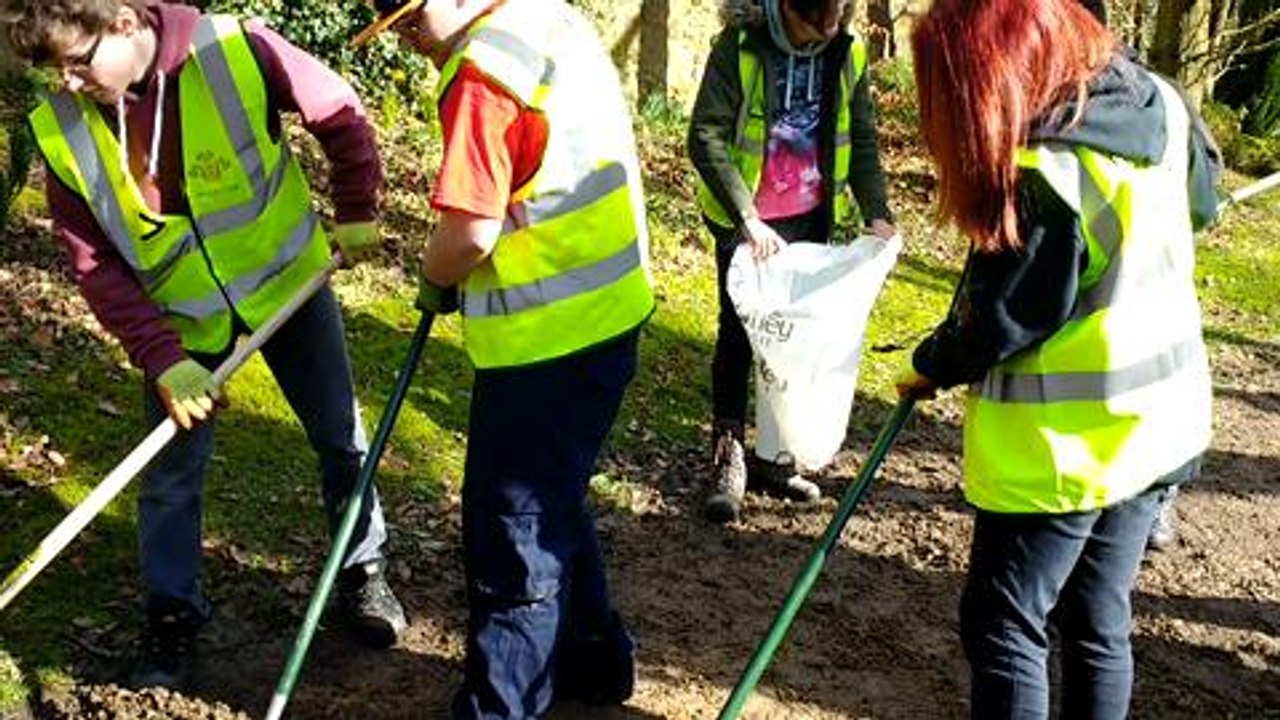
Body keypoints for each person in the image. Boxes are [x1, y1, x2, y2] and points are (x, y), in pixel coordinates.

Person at [4, 0, 407, 690]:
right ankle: (172, 615)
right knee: (170, 477)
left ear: (124, 23)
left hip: (289, 290)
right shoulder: (62, 130)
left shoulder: (235, 49)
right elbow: (96, 264)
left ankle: (362, 568)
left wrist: (357, 207)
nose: (66, 84)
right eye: (52, 71)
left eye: (76, 62)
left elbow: (339, 111)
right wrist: (162, 356)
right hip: (183, 328)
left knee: (340, 436)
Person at [898, 0, 1220, 717]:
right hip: (1160, 423)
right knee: (1096, 616)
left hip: (1069, 450)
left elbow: (1005, 319)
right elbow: (1204, 202)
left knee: (1004, 624)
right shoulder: (1159, 105)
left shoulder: (1049, 170)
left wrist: (930, 361)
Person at [352, 0, 655, 717]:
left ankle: (501, 704)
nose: (408, 41)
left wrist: (433, 275)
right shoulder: (550, 18)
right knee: (555, 496)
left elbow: (468, 233)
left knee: (513, 530)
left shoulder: (485, 72)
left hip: (543, 343)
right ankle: (596, 659)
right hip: (610, 316)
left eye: (406, 22)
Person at [688, 0, 896, 523]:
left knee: (794, 339)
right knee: (738, 334)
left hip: (812, 215)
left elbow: (863, 136)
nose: (815, 44)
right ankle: (728, 455)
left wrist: (877, 209)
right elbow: (705, 135)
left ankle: (776, 459)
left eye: (826, 34)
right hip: (748, 220)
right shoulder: (738, 47)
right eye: (807, 36)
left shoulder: (844, 50)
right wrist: (746, 216)